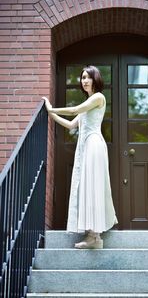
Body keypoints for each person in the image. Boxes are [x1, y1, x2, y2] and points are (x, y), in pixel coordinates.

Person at [42, 65, 118, 249]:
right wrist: (50, 113)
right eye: (82, 77)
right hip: (86, 147)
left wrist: (52, 108)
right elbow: (70, 125)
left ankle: (96, 236)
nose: (84, 81)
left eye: (87, 77)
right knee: (87, 188)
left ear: (95, 79)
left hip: (93, 144)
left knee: (93, 186)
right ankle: (93, 237)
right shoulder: (88, 103)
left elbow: (75, 109)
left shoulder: (98, 97)